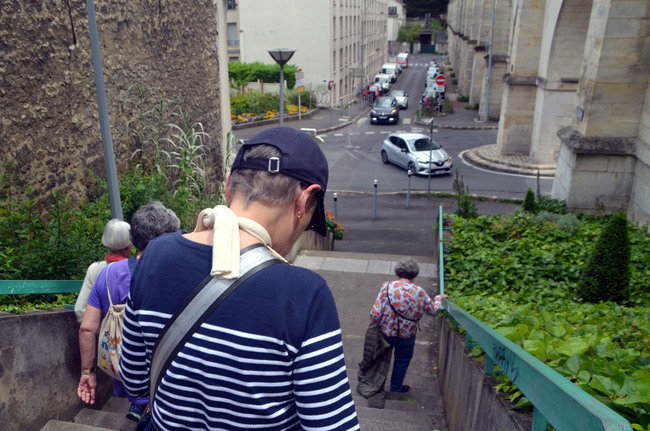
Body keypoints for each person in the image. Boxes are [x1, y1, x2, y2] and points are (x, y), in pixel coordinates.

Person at [120, 127, 360, 430]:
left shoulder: (153, 256)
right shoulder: (306, 295)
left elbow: (136, 383)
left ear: (229, 187)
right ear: (304, 201)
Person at [77, 201, 181, 422]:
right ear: (169, 239)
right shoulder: (176, 275)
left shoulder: (108, 273)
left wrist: (87, 372)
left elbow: (87, 328)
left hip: (122, 364)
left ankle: (137, 405)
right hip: (167, 381)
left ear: (133, 239)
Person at [369, 257, 448, 394]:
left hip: (386, 332)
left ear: (397, 272)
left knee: (381, 359)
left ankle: (376, 385)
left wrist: (375, 325)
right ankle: (395, 388)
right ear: (414, 274)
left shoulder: (387, 286)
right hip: (407, 334)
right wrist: (438, 299)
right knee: (402, 361)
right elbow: (433, 311)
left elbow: (375, 313)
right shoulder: (419, 292)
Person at [74, 219, 132, 323]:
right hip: (132, 336)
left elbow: (80, 310)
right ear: (129, 246)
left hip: (105, 336)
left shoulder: (94, 269)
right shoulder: (137, 268)